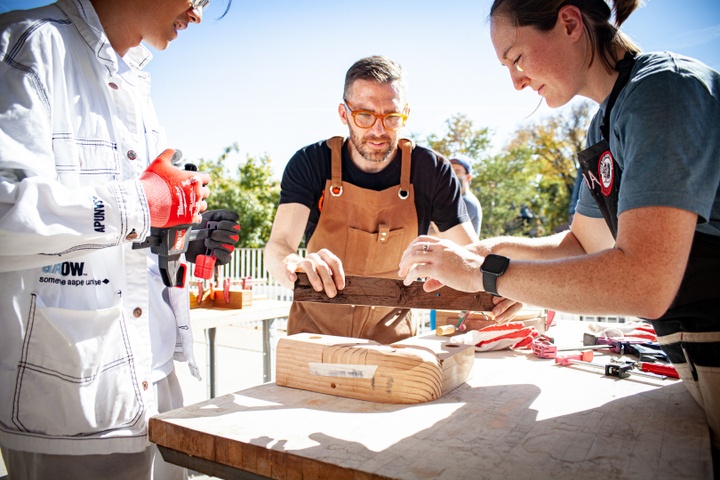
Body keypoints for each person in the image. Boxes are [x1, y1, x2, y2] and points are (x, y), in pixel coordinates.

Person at [398, 0, 720, 472]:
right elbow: (583, 244)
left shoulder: (664, 91)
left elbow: (645, 281)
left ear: (569, 23)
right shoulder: (605, 121)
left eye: (516, 57)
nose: (516, 81)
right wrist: (492, 252)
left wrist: (489, 275)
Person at [0, 1, 238, 479]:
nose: (198, 14)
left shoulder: (133, 81)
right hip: (71, 411)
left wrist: (181, 238)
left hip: (154, 389)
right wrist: (143, 204)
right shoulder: (27, 47)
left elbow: (124, 232)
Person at [265, 55, 518, 344]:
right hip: (314, 333)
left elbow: (470, 253)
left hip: (391, 338)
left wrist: (506, 283)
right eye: (364, 115)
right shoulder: (310, 163)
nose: (378, 130)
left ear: (406, 113)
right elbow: (279, 245)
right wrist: (291, 265)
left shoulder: (432, 171)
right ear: (343, 113)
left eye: (392, 117)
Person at [449, 155, 482, 236]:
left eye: (457, 172)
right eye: (450, 172)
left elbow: (445, 234)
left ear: (468, 177)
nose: (452, 176)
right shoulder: (454, 200)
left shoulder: (467, 202)